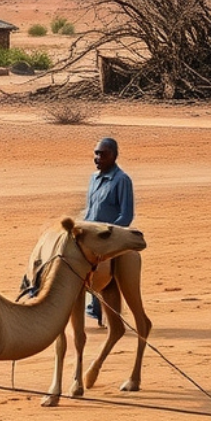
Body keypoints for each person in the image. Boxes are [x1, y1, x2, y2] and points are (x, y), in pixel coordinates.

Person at [82, 137, 134, 323]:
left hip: (107, 237)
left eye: (103, 154)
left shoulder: (122, 180)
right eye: (96, 153)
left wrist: (107, 235)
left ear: (114, 156)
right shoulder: (93, 179)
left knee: (100, 272)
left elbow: (126, 216)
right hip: (88, 234)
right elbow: (89, 210)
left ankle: (99, 311)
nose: (98, 158)